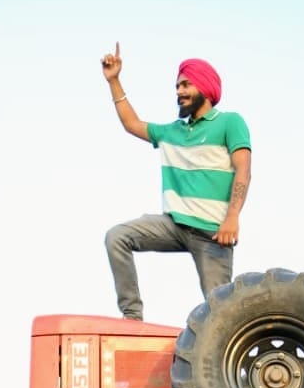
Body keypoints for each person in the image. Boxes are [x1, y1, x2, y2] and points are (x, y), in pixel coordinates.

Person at [101, 43, 251, 320]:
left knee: (222, 316)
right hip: (174, 225)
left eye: (185, 85)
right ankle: (132, 317)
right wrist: (114, 81)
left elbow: (243, 170)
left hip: (212, 233)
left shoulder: (229, 123)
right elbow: (132, 124)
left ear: (204, 88)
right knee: (117, 237)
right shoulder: (172, 132)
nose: (179, 92)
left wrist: (232, 218)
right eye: (177, 87)